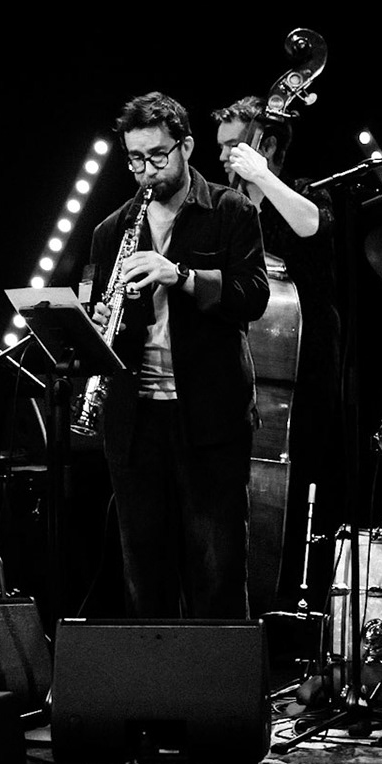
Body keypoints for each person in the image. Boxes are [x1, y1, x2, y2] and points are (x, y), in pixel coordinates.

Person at [86, 92, 269, 618]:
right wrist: (101, 325)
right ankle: (156, 695)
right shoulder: (111, 229)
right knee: (144, 573)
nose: (146, 170)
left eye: (158, 156)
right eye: (135, 159)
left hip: (209, 416)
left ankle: (220, 696)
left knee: (216, 569)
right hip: (136, 418)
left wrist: (182, 276)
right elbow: (103, 313)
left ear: (187, 146)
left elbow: (253, 297)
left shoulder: (231, 210)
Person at [214, 95, 346, 615]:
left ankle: (304, 613)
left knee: (309, 486)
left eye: (234, 145)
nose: (224, 156)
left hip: (304, 367)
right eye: (221, 146)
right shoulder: (227, 208)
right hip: (248, 373)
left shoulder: (305, 194)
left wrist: (263, 177)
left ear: (265, 143)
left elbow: (311, 224)